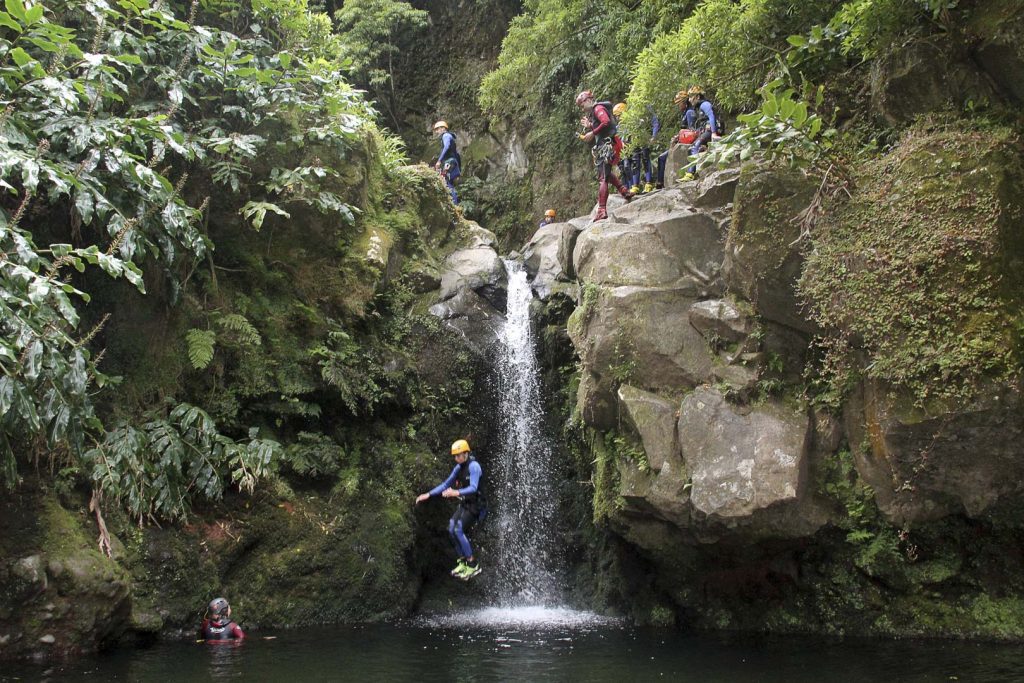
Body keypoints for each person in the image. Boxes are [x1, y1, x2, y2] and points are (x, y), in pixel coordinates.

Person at [415, 439, 485, 580]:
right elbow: (446, 484)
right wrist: (428, 494)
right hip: (466, 503)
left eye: (459, 455)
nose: (457, 458)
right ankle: (463, 562)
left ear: (466, 453)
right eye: (455, 456)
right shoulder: (459, 468)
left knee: (458, 529)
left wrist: (455, 493)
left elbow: (473, 488)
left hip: (477, 504)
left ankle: (472, 564)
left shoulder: (474, 466)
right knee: (451, 528)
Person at [575, 90, 634, 221]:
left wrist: (592, 132)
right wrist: (590, 125)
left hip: (607, 146)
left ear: (587, 100)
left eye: (582, 105)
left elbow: (606, 122)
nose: (582, 108)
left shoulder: (598, 108)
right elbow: (602, 124)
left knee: (603, 178)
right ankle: (623, 190)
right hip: (607, 145)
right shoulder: (596, 110)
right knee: (605, 173)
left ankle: (602, 210)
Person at [656, 90, 697, 188]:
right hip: (681, 140)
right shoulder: (685, 113)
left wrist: (679, 139)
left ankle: (660, 183)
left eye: (679, 103)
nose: (678, 106)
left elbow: (692, 130)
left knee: (662, 158)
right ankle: (659, 182)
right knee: (661, 158)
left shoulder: (690, 112)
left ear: (684, 102)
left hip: (686, 142)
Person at [682, 86, 721, 182]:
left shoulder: (705, 105)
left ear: (698, 97)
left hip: (710, 130)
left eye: (691, 97)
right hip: (706, 131)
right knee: (693, 147)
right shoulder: (699, 107)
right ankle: (690, 173)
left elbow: (712, 117)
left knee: (694, 147)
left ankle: (690, 174)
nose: (690, 100)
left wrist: (713, 133)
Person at [631, 105, 660, 194]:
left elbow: (655, 122)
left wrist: (653, 136)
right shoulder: (631, 109)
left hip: (645, 138)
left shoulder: (647, 108)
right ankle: (635, 186)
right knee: (635, 162)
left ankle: (648, 184)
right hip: (635, 139)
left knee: (645, 159)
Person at [433, 120, 461, 204]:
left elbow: (446, 147)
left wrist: (439, 161)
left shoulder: (446, 136)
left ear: (442, 128)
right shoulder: (448, 136)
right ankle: (454, 204)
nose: (437, 131)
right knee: (449, 183)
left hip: (449, 162)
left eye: (438, 129)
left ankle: (455, 206)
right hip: (452, 162)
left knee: (447, 183)